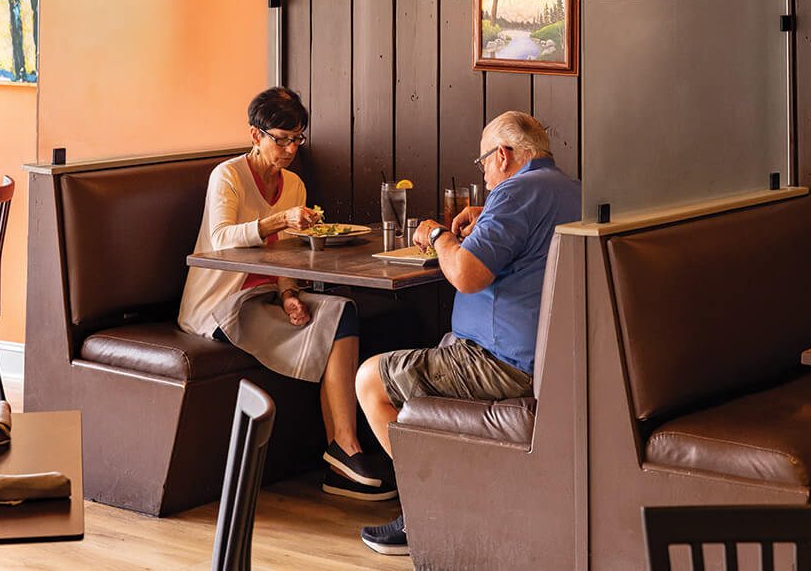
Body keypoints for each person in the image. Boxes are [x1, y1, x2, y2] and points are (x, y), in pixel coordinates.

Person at [355, 111, 581, 555]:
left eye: (483, 164)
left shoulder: (516, 191)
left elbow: (467, 275)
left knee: (369, 379)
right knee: (435, 357)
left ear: (503, 154)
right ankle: (453, 502)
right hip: (549, 356)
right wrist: (488, 211)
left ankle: (428, 511)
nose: (484, 173)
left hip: (502, 362)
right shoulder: (572, 190)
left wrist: (438, 234)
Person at [178, 86, 395, 500]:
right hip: (221, 304)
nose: (290, 149)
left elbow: (284, 257)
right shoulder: (227, 176)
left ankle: (342, 450)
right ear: (255, 135)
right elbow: (221, 239)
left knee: (343, 310)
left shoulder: (293, 184)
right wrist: (278, 220)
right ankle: (344, 454)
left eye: (297, 139)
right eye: (281, 139)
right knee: (335, 322)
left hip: (265, 296)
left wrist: (289, 294)